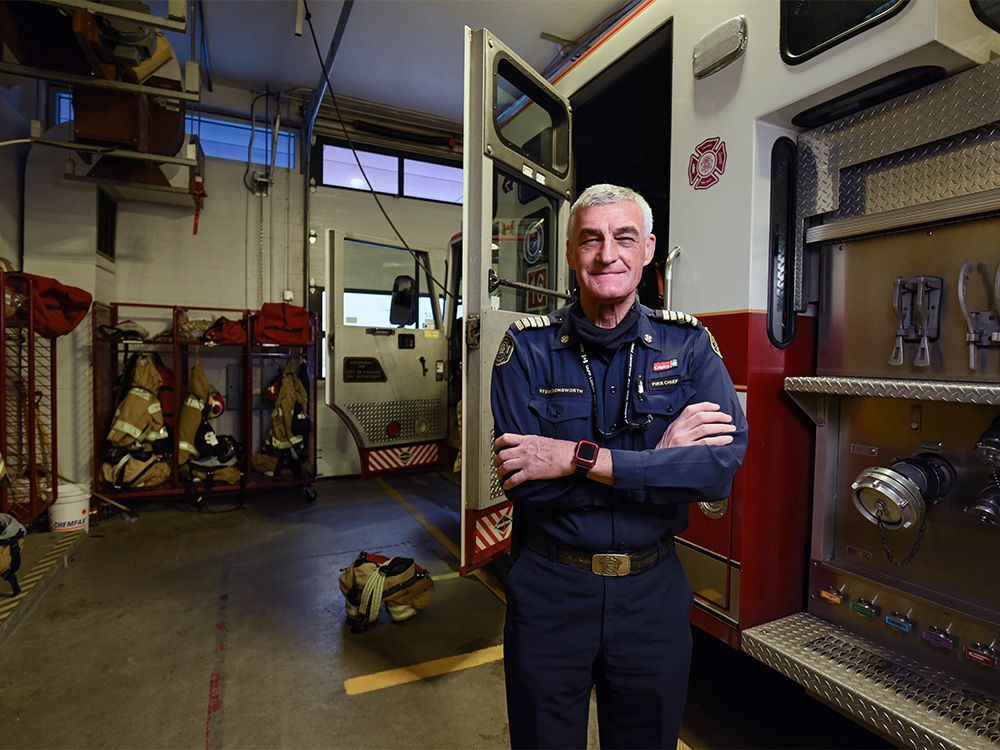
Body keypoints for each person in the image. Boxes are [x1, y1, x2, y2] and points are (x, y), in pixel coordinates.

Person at [491, 183, 748, 749]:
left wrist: (575, 459)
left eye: (623, 237)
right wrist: (657, 465)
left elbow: (717, 469)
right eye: (591, 239)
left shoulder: (690, 347)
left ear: (648, 248)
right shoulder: (525, 351)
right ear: (569, 253)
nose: (608, 254)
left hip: (651, 596)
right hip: (550, 593)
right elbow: (527, 491)